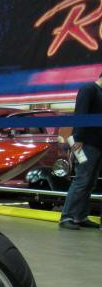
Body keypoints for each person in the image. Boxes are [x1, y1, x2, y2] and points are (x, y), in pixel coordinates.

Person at [59, 70, 102, 230]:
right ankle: (68, 217)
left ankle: (80, 216)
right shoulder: (88, 89)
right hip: (84, 144)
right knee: (82, 180)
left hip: (96, 145)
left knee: (90, 182)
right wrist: (79, 138)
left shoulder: (98, 92)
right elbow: (81, 113)